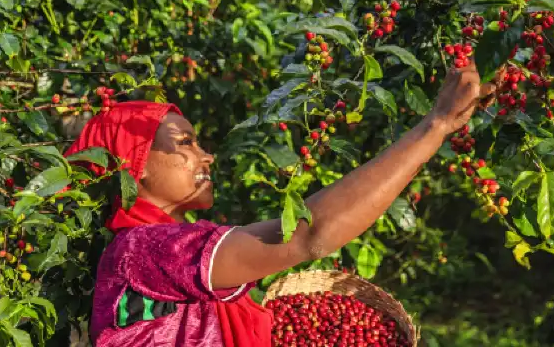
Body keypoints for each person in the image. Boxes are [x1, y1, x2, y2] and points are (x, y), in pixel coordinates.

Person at [63, 61, 499, 346]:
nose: (206, 155)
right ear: (132, 165)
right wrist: (435, 126)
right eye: (186, 144)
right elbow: (311, 236)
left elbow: (294, 232)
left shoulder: (162, 248)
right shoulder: (145, 248)